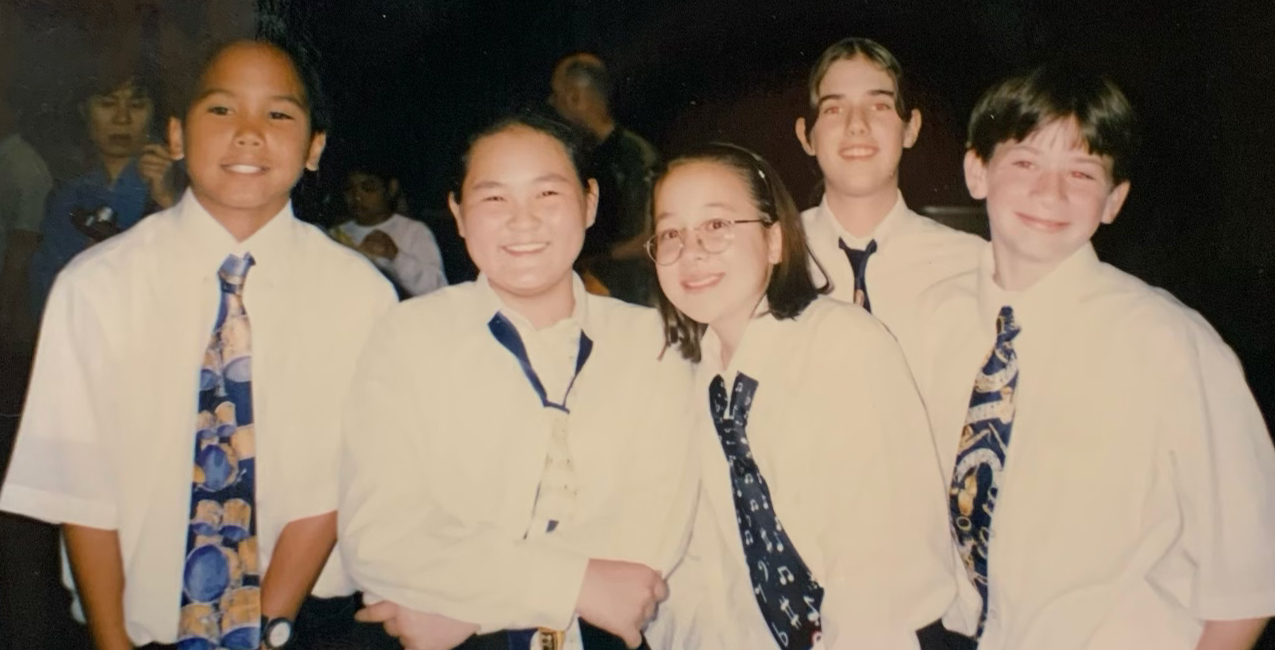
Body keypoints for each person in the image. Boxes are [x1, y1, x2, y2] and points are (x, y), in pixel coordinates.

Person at [0, 36, 397, 650]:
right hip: (137, 627)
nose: (248, 132)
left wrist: (267, 629)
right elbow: (81, 485)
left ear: (314, 147)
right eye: (221, 109)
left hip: (300, 622)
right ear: (177, 136)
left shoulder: (360, 296)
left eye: (279, 114)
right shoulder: (97, 287)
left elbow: (338, 482)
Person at [912, 65, 1275, 650]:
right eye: (1026, 162)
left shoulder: (1171, 346)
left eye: (1082, 173)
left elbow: (1250, 580)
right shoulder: (932, 322)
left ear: (1114, 200)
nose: (1050, 193)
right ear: (977, 171)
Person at [338, 111, 698, 650]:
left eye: (548, 195)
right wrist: (573, 584)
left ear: (591, 201)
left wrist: (460, 611)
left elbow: (651, 541)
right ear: (458, 213)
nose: (523, 221)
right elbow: (380, 538)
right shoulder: (409, 336)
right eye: (494, 199)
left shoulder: (653, 343)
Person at [644, 143, 955, 650]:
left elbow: (878, 570)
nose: (692, 249)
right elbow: (711, 574)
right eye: (671, 233)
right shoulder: (695, 377)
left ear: (773, 241)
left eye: (717, 225)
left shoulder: (841, 345)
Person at [795, 38, 983, 362]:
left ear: (911, 128)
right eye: (834, 109)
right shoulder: (769, 258)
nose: (856, 125)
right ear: (806, 136)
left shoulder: (971, 264)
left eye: (879, 106)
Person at [27, 69, 177, 320]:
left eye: (137, 105)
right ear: (83, 111)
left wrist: (169, 200)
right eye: (107, 104)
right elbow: (45, 292)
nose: (122, 118)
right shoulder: (68, 196)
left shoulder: (177, 181)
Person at [549, 52, 660, 305]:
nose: (552, 103)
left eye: (557, 94)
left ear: (576, 97)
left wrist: (592, 258)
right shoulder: (579, 156)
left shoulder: (635, 157)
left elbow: (647, 240)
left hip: (628, 302)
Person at [332, 161, 448, 298]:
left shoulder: (414, 231)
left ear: (391, 188)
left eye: (368, 188)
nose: (357, 196)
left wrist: (396, 256)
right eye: (349, 189)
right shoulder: (335, 235)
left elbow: (438, 289)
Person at [0, 83, 52, 348]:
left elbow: (24, 242)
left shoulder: (24, 167)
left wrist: (5, 308)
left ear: (15, 111)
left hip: (14, 303)